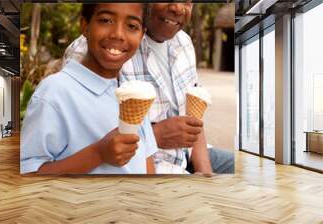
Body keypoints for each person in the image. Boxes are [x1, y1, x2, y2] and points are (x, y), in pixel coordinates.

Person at [62, 3, 234, 174]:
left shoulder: (183, 43)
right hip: (142, 166)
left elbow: (194, 121)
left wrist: (205, 173)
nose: (178, 8)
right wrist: (154, 135)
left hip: (187, 155)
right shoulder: (95, 50)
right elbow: (82, 145)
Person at [20, 3, 158, 175]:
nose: (118, 34)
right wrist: (98, 154)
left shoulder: (134, 94)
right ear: (84, 26)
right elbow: (28, 175)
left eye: (132, 26)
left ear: (141, 35)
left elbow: (147, 162)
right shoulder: (54, 93)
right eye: (106, 20)